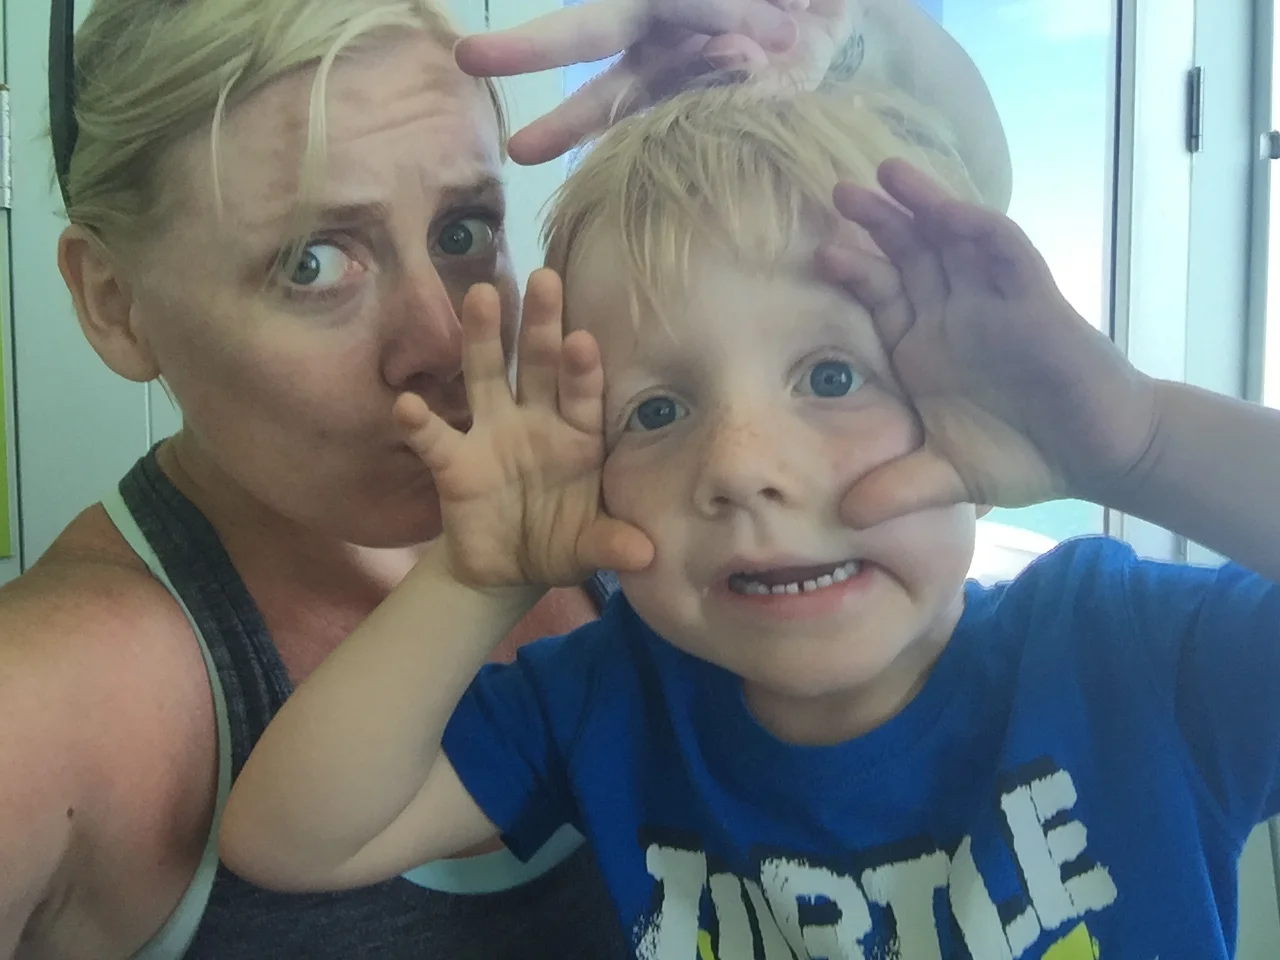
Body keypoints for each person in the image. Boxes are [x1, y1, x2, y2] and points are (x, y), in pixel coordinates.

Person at [1, 0, 1009, 957]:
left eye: (462, 232)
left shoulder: (639, 488)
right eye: (312, 263)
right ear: (113, 303)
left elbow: (958, 232)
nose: (443, 341)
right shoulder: (47, 703)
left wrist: (824, 31)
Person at [221, 80, 1280, 960]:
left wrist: (1141, 441)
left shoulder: (1127, 658)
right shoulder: (611, 699)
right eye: (656, 412)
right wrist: (475, 578)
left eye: (832, 376)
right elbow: (290, 840)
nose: (736, 467)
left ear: (982, 414)